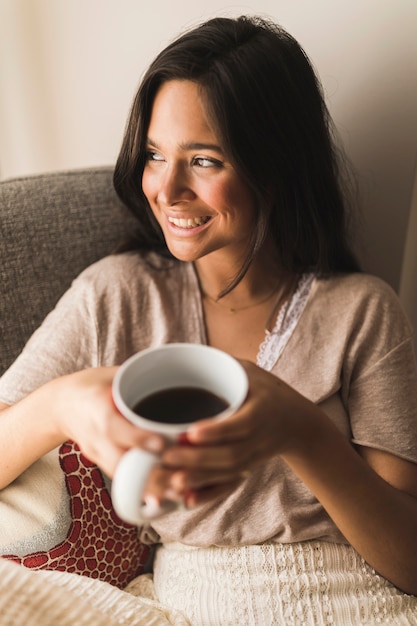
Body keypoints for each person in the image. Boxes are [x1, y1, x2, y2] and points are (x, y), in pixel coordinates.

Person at [0, 14, 417, 626]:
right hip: (193, 603)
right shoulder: (114, 296)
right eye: (154, 154)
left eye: (203, 160)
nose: (166, 189)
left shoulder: (361, 311)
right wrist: (62, 404)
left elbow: (410, 560)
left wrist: (300, 430)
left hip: (356, 601)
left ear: (274, 169)